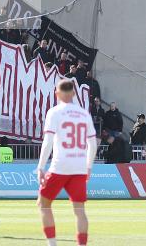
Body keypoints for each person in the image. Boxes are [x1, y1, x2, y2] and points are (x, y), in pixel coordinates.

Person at [36, 79, 98, 246]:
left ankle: (52, 243)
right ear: (73, 93)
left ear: (57, 93)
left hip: (60, 165)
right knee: (79, 210)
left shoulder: (54, 112)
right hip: (79, 167)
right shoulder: (84, 114)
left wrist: (41, 167)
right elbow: (92, 143)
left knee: (43, 204)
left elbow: (47, 142)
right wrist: (89, 166)